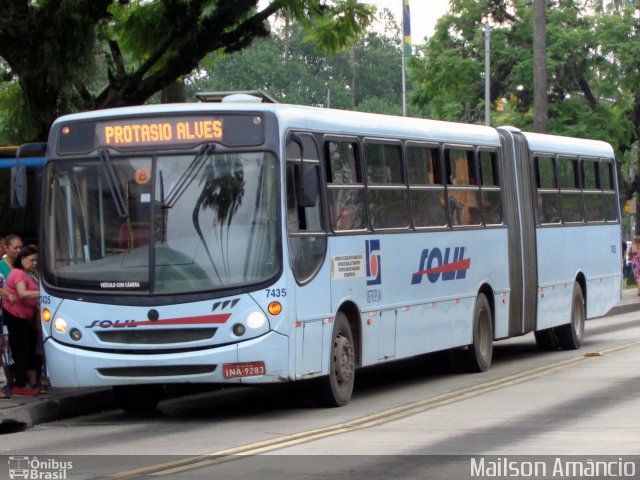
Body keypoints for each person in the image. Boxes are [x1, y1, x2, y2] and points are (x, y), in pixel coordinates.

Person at [4, 245, 40, 396]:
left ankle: (23, 383)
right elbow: (22, 294)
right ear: (23, 259)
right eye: (31, 260)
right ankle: (18, 385)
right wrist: (43, 292)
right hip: (15, 316)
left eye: (36, 261)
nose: (34, 263)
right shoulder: (18, 273)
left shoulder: (28, 274)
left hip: (25, 317)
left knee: (26, 350)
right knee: (21, 351)